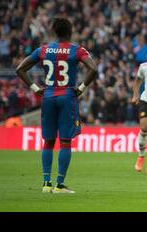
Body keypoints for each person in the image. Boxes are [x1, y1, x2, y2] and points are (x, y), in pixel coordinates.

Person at [15, 18, 97, 193]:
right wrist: (81, 88)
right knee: (65, 142)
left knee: (48, 142)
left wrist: (35, 88)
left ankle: (46, 183)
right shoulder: (77, 50)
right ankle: (59, 185)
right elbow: (93, 68)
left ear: (54, 32)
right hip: (67, 96)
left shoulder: (44, 49)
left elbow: (19, 69)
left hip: (49, 95)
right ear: (70, 31)